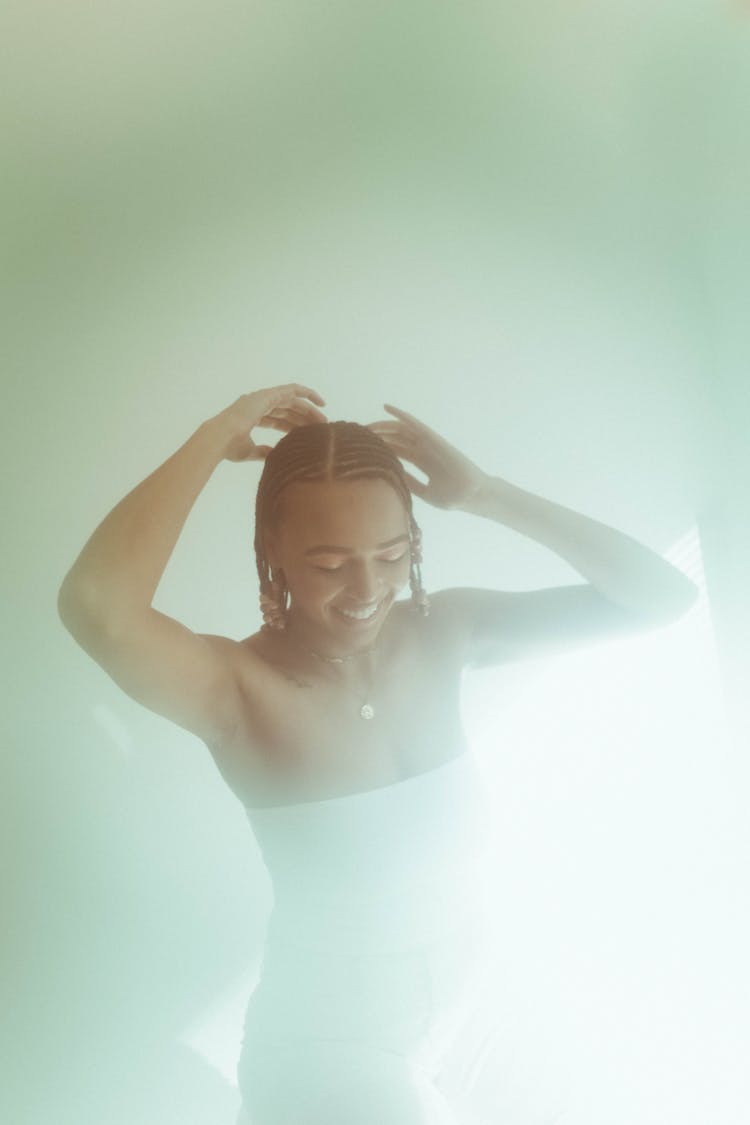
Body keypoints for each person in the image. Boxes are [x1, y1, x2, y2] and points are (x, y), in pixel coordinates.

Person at [57, 384, 699, 1123]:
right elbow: (98, 605)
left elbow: (663, 598)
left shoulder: (445, 631)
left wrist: (487, 493)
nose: (368, 589)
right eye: (330, 564)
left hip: (473, 1015)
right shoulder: (236, 688)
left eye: (393, 554)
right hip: (326, 1050)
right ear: (272, 550)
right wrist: (215, 433)